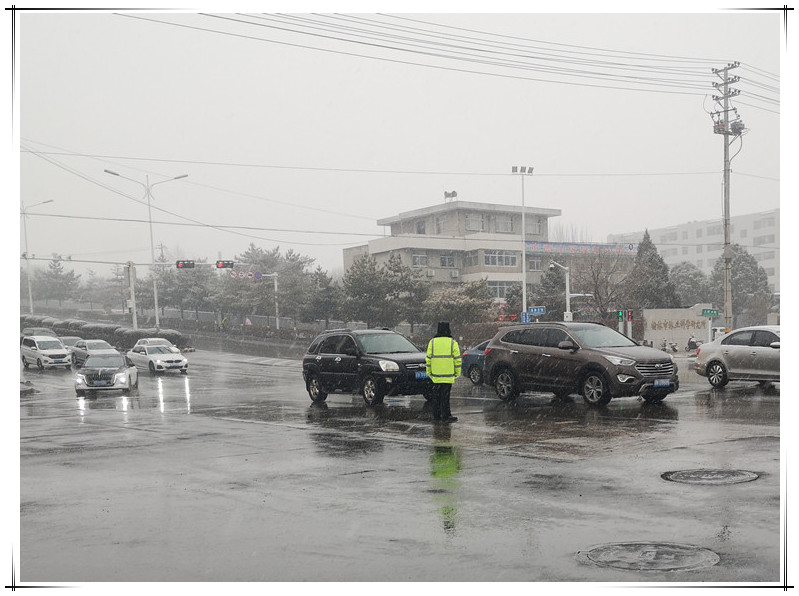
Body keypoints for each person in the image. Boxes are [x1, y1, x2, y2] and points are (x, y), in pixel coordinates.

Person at [425, 321, 461, 423]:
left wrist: (429, 372)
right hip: (448, 375)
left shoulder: (432, 342)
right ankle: (446, 416)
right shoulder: (452, 343)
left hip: (435, 375)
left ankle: (436, 416)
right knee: (445, 397)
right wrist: (457, 373)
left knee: (436, 396)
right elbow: (457, 359)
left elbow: (428, 359)